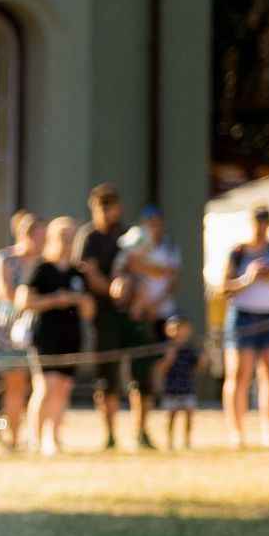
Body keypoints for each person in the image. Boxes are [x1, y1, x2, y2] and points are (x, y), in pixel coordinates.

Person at [72, 184, 149, 450]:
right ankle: (110, 434)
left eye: (109, 207)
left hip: (131, 313)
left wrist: (130, 291)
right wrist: (112, 290)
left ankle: (141, 431)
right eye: (100, 208)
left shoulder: (127, 235)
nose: (105, 213)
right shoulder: (88, 237)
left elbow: (139, 267)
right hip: (103, 316)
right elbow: (88, 273)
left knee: (140, 373)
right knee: (107, 378)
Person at [220, 205, 269, 448]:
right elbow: (223, 288)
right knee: (239, 375)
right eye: (257, 222)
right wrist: (247, 279)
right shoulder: (238, 252)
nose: (261, 227)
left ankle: (268, 429)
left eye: (264, 222)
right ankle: (236, 432)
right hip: (244, 316)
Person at [19, 216, 92, 455]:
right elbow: (24, 301)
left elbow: (90, 311)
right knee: (46, 386)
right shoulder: (42, 268)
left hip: (71, 337)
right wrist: (54, 300)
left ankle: (54, 437)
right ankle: (35, 438)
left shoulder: (77, 272)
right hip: (45, 335)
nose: (68, 242)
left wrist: (81, 300)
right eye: (63, 237)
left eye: (72, 237)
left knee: (63, 388)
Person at [0, 208, 40, 450]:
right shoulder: (5, 259)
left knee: (34, 385)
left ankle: (32, 435)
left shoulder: (42, 262)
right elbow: (5, 293)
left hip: (36, 328)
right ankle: (13, 438)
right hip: (10, 329)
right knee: (16, 383)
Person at [150, 315, 203, 451]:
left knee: (189, 416)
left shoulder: (191, 349)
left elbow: (198, 367)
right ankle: (170, 442)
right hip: (171, 388)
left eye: (181, 328)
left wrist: (204, 357)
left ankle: (187, 441)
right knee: (171, 417)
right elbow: (159, 369)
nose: (178, 332)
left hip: (187, 387)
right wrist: (168, 359)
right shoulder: (165, 348)